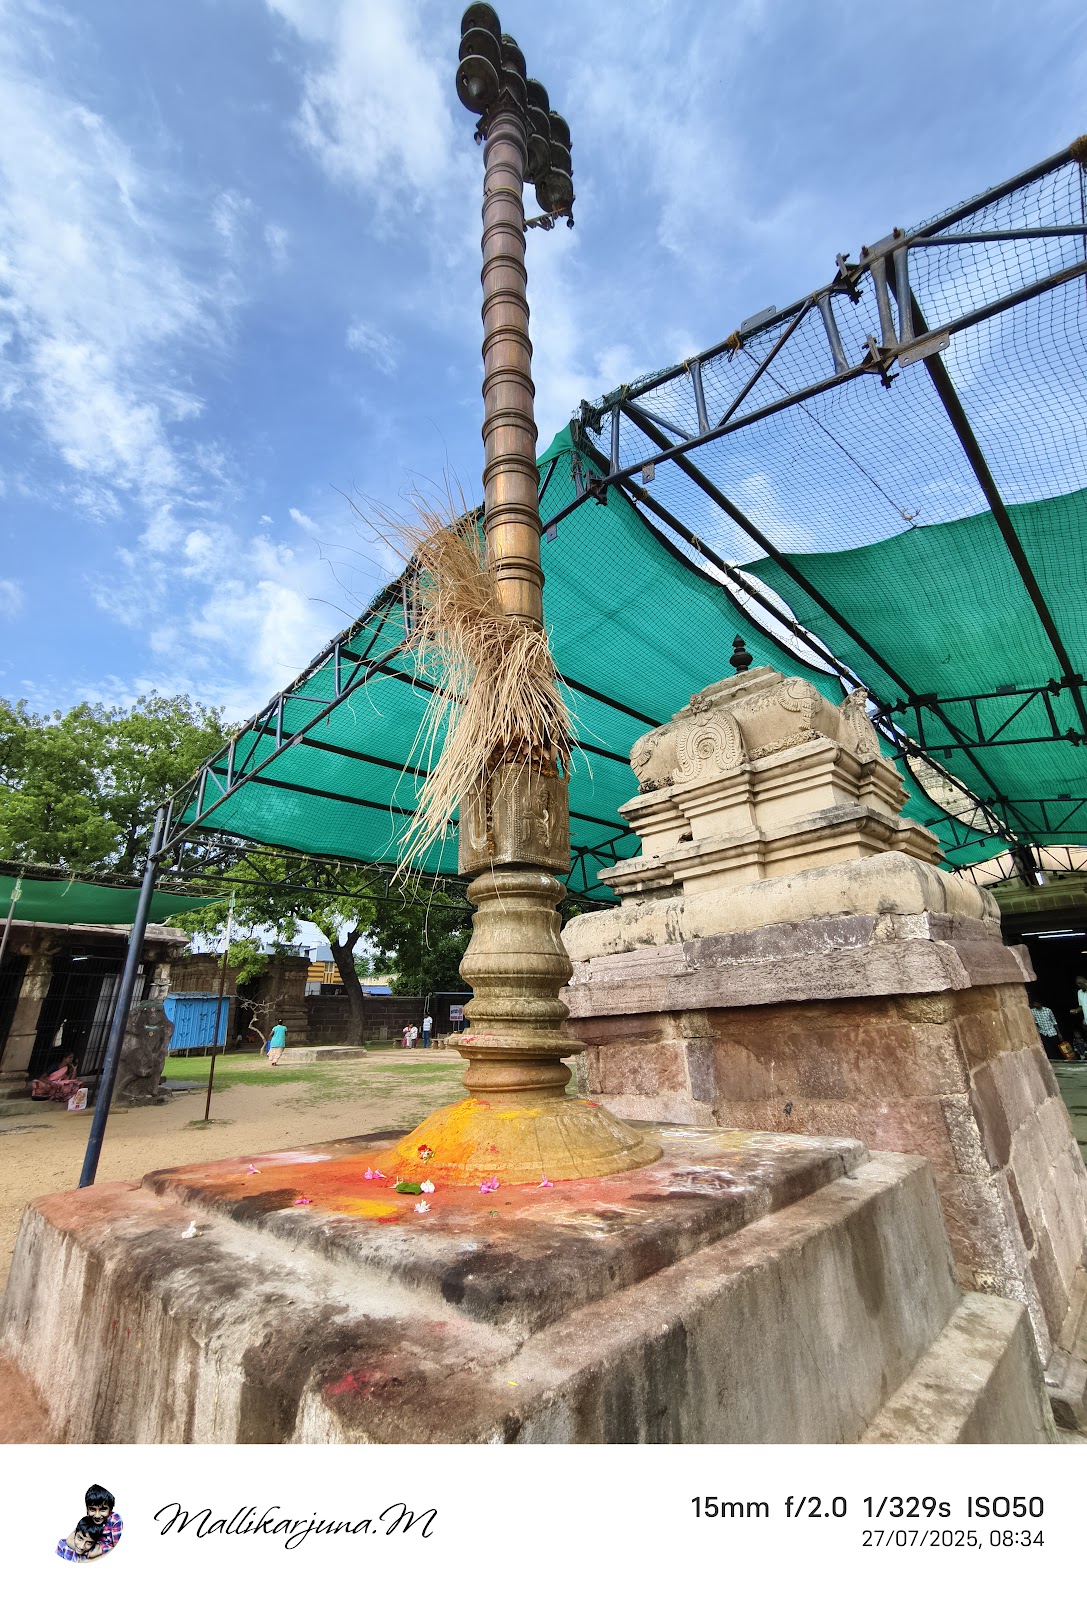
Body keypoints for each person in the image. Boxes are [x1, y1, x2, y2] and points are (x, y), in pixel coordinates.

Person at [84, 1483, 122, 1552]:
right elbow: (71, 1539)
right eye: (92, 1509)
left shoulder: (115, 1520)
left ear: (110, 1509)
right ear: (87, 1509)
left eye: (103, 1509)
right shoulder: (87, 1520)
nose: (97, 1515)